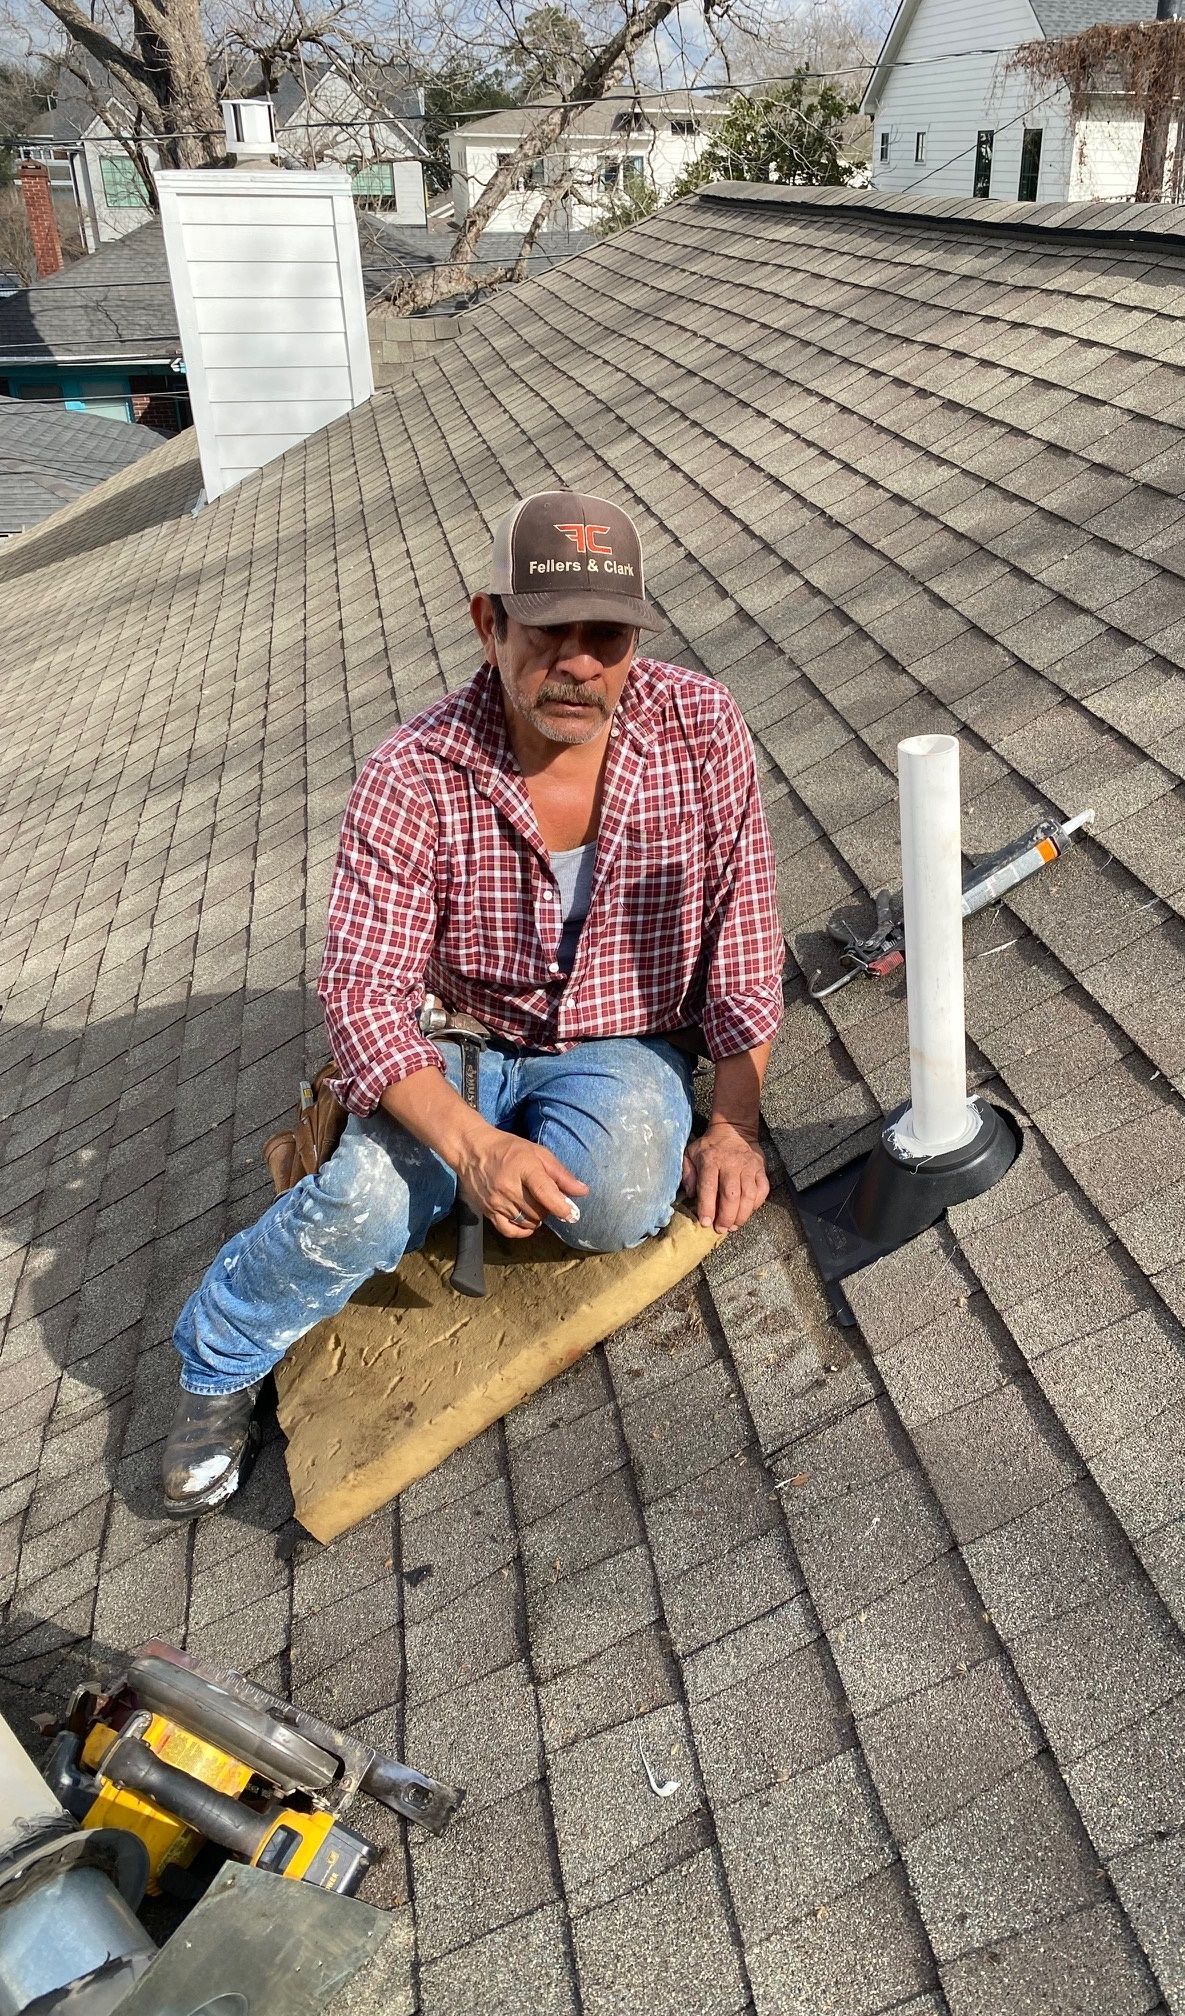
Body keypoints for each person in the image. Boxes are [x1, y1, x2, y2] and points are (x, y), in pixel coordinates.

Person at [162, 491, 784, 1518]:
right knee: (363, 1204)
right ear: (488, 623)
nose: (580, 663)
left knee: (624, 1195)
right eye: (550, 634)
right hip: (457, 1043)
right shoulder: (413, 774)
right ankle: (216, 1356)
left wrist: (732, 1124)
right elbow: (362, 999)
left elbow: (744, 932)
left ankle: (444, 1175)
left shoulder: (701, 730)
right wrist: (467, 1144)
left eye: (608, 636)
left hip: (619, 1038)